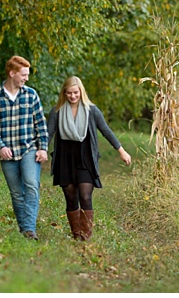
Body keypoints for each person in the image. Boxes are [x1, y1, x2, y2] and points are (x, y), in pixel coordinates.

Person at [46, 76, 131, 241]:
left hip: (85, 158)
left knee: (85, 195)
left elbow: (105, 130)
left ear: (81, 92)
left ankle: (85, 236)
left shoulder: (92, 110)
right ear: (64, 93)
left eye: (75, 92)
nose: (72, 96)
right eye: (69, 93)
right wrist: (42, 149)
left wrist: (121, 150)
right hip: (65, 158)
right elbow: (49, 133)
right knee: (71, 197)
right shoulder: (57, 111)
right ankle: (76, 234)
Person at [0, 55, 49, 240]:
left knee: (31, 185)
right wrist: (0, 146)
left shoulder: (31, 95)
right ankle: (24, 229)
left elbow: (40, 124)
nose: (26, 78)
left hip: (29, 149)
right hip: (8, 153)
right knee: (16, 193)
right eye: (23, 74)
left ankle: (29, 229)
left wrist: (42, 148)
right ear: (12, 73)